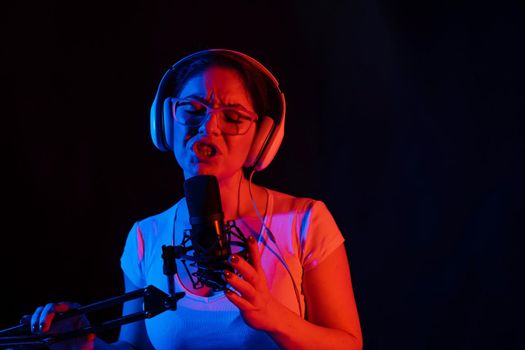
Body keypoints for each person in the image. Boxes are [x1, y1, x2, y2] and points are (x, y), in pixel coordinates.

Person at [28, 49, 363, 349]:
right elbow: (136, 349)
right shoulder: (145, 237)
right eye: (193, 110)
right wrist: (85, 345)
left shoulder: (304, 222)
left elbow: (348, 345)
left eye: (232, 118)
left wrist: (273, 317)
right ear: (166, 122)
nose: (209, 128)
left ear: (262, 139)